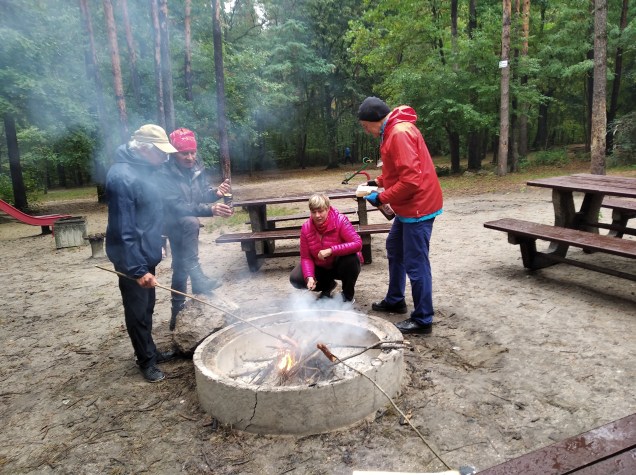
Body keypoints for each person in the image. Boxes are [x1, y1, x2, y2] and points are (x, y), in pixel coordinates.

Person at [357, 96, 443, 335]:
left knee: (416, 262)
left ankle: (423, 319)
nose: (366, 131)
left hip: (418, 207)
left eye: (365, 126)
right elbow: (398, 169)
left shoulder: (399, 133)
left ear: (374, 120)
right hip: (409, 206)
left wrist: (381, 198)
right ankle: (395, 299)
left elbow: (411, 181)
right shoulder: (392, 130)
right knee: (394, 248)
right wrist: (378, 182)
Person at [105, 124, 179, 383]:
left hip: (145, 252)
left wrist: (158, 242)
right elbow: (123, 228)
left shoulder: (145, 169)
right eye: (161, 152)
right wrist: (137, 270)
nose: (165, 157)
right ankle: (146, 361)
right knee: (137, 310)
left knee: (147, 306)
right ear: (144, 149)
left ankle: (151, 351)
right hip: (130, 257)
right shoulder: (122, 176)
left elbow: (151, 212)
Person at [160, 127, 233, 330]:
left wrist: (216, 193)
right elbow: (177, 205)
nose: (190, 157)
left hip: (188, 224)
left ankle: (179, 313)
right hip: (172, 222)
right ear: (174, 153)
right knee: (181, 263)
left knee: (180, 265)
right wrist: (210, 210)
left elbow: (201, 194)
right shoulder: (165, 173)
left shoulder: (196, 167)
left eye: (193, 152)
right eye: (185, 153)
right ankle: (193, 288)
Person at [289, 193, 362, 302]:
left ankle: (347, 296)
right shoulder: (306, 228)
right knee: (296, 278)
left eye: (320, 211)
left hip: (340, 265)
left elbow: (357, 243)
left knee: (351, 259)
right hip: (321, 267)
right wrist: (309, 277)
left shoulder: (340, 220)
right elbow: (306, 257)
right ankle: (328, 286)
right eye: (313, 212)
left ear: (327, 209)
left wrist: (331, 250)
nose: (317, 215)